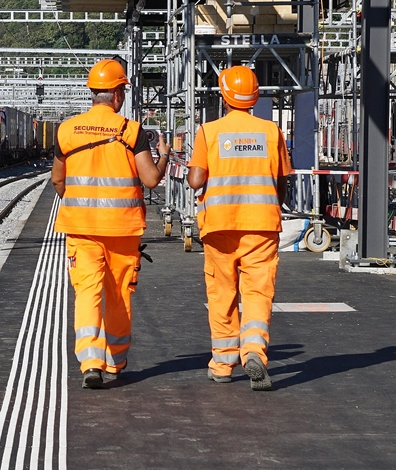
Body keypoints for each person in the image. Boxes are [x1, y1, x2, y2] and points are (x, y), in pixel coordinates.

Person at [51, 59, 169, 389]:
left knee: (86, 292)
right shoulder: (132, 132)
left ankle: (90, 362)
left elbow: (58, 180)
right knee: (118, 294)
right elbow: (150, 180)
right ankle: (115, 361)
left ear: (94, 94)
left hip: (82, 229)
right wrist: (163, 155)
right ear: (118, 94)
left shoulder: (66, 130)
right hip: (123, 229)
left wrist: (78, 202)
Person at [187, 65, 291, 391]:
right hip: (261, 225)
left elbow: (195, 180)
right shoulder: (272, 132)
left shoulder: (209, 132)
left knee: (222, 293)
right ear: (255, 96)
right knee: (258, 292)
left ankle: (222, 364)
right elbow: (281, 181)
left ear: (223, 95)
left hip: (219, 226)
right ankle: (254, 351)